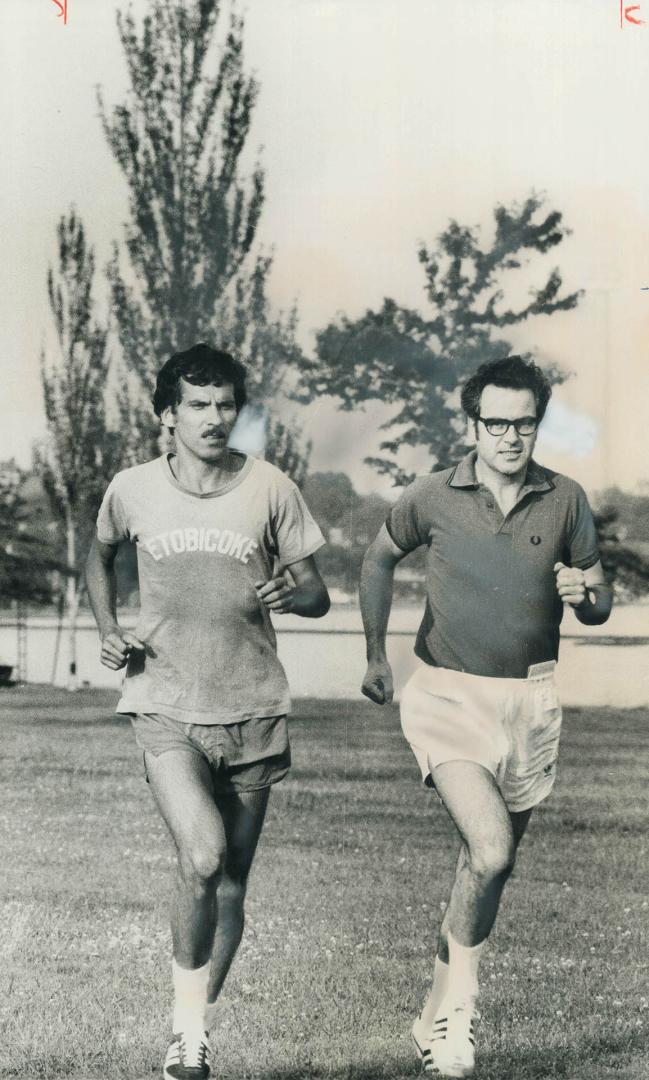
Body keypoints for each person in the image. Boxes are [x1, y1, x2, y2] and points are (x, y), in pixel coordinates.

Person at [359, 356, 612, 1078]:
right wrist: (376, 655)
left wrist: (582, 592)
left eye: (522, 423)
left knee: (485, 868)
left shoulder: (565, 499)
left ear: (537, 424)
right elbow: (377, 562)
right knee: (491, 850)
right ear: (472, 424)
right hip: (445, 696)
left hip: (529, 703)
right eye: (495, 422)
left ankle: (430, 1016)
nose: (508, 436)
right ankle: (458, 1023)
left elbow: (595, 603)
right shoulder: (432, 494)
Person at [86, 343, 329, 1080]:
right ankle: (187, 1036)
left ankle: (191, 1027)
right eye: (198, 405)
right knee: (202, 855)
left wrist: (297, 596)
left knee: (231, 885)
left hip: (252, 706)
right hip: (163, 704)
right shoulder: (131, 489)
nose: (214, 418)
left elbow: (316, 591)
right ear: (168, 416)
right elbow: (98, 554)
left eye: (226, 405)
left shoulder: (270, 488)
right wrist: (107, 626)